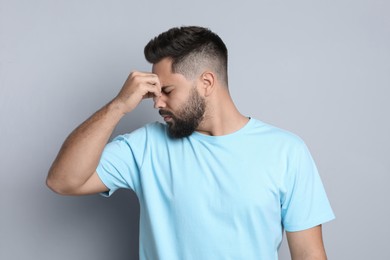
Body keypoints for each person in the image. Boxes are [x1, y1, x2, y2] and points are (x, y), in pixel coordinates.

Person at [47, 26, 335, 260]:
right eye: (155, 92)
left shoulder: (286, 151)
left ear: (207, 83)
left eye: (167, 91)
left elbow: (309, 253)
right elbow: (63, 181)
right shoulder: (146, 145)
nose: (156, 102)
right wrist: (119, 106)